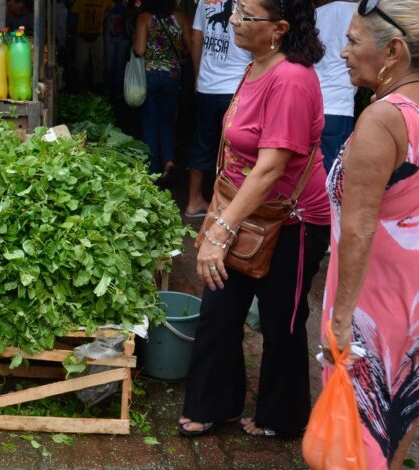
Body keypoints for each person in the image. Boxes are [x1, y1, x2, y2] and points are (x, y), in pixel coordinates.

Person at [178, 0, 330, 438]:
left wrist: (221, 230)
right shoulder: (255, 66)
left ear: (279, 29)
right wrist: (220, 214)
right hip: (246, 208)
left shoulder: (292, 80)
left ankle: (281, 416)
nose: (233, 21)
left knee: (282, 320)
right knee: (219, 306)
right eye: (236, 11)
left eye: (246, 15)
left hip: (293, 221)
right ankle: (214, 403)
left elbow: (270, 167)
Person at [321, 1, 419, 467]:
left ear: (393, 51)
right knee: (393, 427)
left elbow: (358, 228)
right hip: (411, 301)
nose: (342, 52)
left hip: (372, 308)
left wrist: (341, 321)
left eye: (354, 41)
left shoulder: (382, 120)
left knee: (355, 443)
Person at [184, 0, 251, 217]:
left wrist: (198, 75)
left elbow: (196, 39)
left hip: (207, 86)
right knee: (235, 148)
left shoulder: (204, 1)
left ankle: (194, 201)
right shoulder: (249, 3)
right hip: (237, 87)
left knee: (203, 141)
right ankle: (228, 205)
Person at [132, 0, 191, 181]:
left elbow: (140, 50)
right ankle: (169, 161)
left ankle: (152, 171)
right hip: (173, 75)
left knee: (149, 121)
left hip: (150, 74)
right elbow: (190, 46)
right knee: (166, 120)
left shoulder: (145, 18)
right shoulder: (181, 17)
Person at [314, 0, 358, 173]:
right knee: (333, 176)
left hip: (312, 102)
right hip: (339, 106)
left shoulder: (316, 14)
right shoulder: (360, 15)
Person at [72, 0, 113, 91]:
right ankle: (80, 87)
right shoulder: (80, 1)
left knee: (98, 64)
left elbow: (115, 8)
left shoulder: (105, 1)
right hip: (82, 36)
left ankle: (97, 88)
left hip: (97, 36)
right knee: (81, 63)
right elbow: (73, 16)